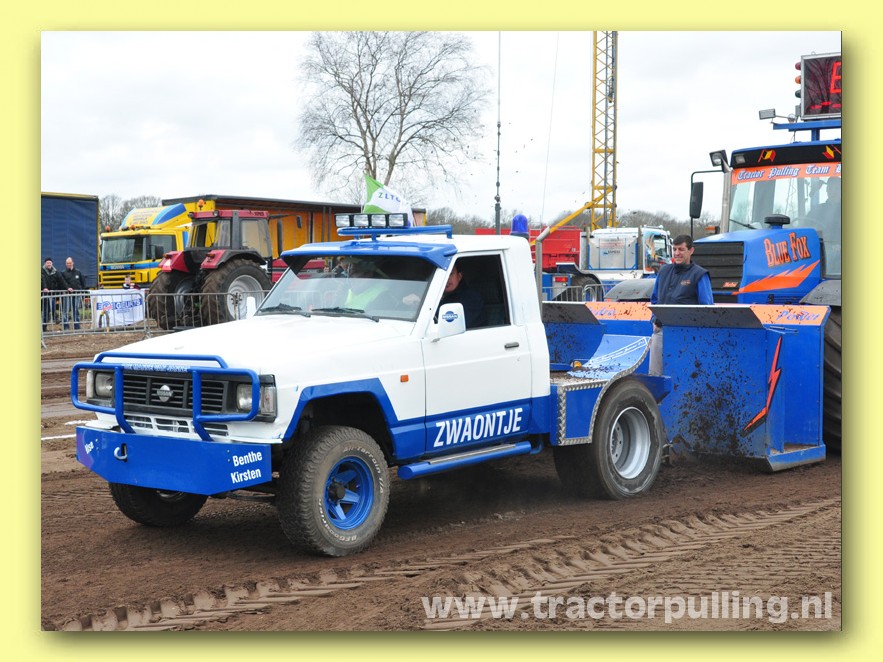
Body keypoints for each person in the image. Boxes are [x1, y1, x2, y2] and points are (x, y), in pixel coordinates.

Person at [648, 235, 713, 376]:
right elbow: (654, 299)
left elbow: (707, 308)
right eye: (674, 249)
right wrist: (654, 320)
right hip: (661, 332)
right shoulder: (663, 271)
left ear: (691, 250)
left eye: (681, 249)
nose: (677, 253)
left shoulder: (699, 275)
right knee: (655, 376)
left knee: (684, 376)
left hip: (687, 336)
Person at [439, 262, 486, 329]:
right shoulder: (436, 297)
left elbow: (455, 325)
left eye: (450, 274)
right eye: (443, 274)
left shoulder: (472, 297)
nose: (447, 278)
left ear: (459, 276)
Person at [60, 257, 87, 330]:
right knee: (66, 310)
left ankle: (77, 326)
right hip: (67, 295)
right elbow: (62, 283)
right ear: (66, 264)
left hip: (77, 294)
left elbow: (82, 282)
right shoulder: (63, 273)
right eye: (67, 263)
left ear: (73, 263)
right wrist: (67, 288)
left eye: (70, 263)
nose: (69, 264)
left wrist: (82, 291)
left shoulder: (78, 272)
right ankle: (66, 326)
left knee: (76, 310)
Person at [41, 257, 63, 332]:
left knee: (48, 309)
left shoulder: (55, 271)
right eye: (47, 263)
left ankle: (53, 319)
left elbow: (61, 280)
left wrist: (67, 287)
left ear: (52, 263)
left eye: (50, 263)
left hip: (52, 293)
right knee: (46, 311)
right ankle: (53, 319)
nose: (49, 264)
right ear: (45, 263)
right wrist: (44, 288)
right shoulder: (42, 271)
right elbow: (42, 280)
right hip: (44, 294)